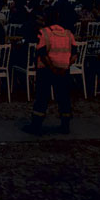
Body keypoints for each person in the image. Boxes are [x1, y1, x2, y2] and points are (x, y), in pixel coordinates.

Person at [22, 8, 77, 136]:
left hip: (46, 70)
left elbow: (42, 53)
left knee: (42, 97)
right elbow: (74, 54)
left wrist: (52, 67)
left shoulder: (44, 33)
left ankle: (36, 126)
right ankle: (65, 125)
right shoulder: (68, 34)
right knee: (64, 98)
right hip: (64, 70)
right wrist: (66, 65)